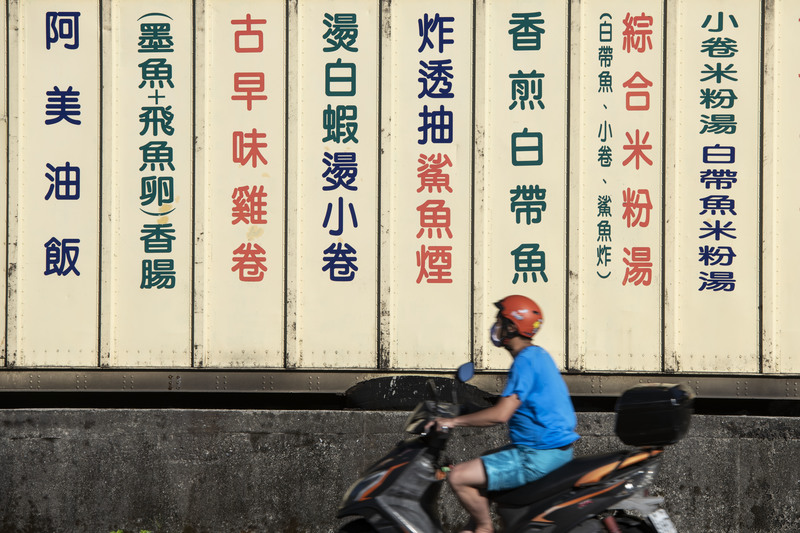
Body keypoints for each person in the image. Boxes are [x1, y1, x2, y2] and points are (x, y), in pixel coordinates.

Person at [427, 295, 579, 533]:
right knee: (485, 461)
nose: (495, 327)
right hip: (554, 451)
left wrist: (453, 421)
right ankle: (474, 527)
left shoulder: (524, 362)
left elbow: (501, 414)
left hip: (536, 456)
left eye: (499, 320)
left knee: (457, 477)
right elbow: (522, 405)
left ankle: (484, 528)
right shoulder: (538, 355)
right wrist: (468, 410)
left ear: (512, 326)